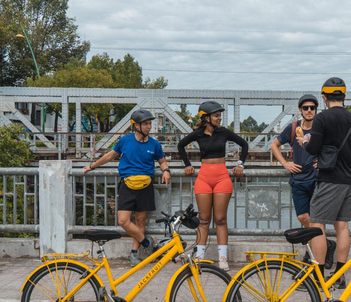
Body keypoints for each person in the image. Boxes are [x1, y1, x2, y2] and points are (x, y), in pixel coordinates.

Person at [83, 109, 171, 266]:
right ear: (135, 125)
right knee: (123, 221)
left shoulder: (154, 144)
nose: (149, 127)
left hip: (145, 185)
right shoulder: (125, 141)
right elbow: (110, 155)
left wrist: (166, 171)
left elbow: (162, 160)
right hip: (127, 185)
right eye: (145, 124)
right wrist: (92, 166)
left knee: (141, 220)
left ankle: (134, 254)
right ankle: (147, 243)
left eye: (150, 123)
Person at [298, 77, 351, 289]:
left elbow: (313, 148)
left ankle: (319, 276)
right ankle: (340, 276)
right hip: (350, 179)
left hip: (330, 179)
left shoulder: (322, 118)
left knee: (316, 224)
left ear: (324, 98)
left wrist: (304, 142)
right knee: (342, 226)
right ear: (344, 96)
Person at [177, 101, 249, 271]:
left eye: (219, 115)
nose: (219, 118)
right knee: (203, 220)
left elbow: (244, 145)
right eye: (216, 115)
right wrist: (187, 164)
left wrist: (240, 165)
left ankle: (222, 259)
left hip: (222, 177)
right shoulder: (198, 134)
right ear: (206, 117)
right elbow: (180, 145)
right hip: (203, 178)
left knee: (220, 219)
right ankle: (199, 257)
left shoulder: (223, 132)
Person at [271, 94, 336, 267]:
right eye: (305, 108)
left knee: (317, 219)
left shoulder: (321, 128)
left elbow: (333, 148)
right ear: (300, 110)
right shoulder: (292, 128)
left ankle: (313, 255)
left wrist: (322, 161)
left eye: (312, 108)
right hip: (298, 179)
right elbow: (273, 145)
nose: (309, 110)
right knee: (302, 216)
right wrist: (285, 163)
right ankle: (327, 245)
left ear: (316, 110)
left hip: (317, 179)